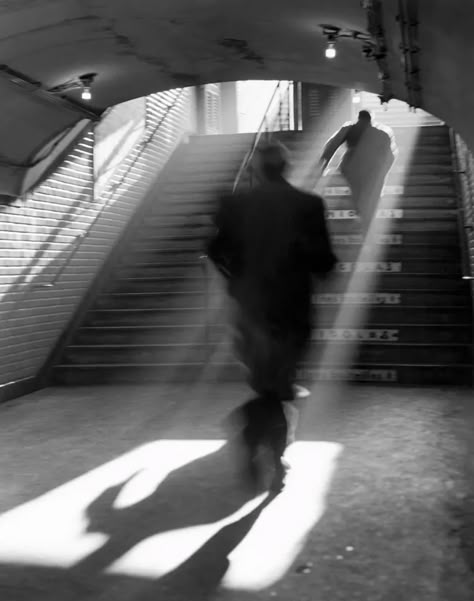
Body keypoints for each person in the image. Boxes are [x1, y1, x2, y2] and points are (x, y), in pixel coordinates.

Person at [207, 141, 337, 491]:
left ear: (255, 169)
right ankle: (267, 450)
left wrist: (236, 279)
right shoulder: (309, 205)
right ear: (286, 167)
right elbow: (325, 263)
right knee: (277, 387)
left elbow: (215, 250)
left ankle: (258, 441)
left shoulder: (234, 205)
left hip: (250, 310)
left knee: (268, 385)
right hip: (292, 310)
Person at [319, 109, 397, 232]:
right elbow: (390, 156)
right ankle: (366, 221)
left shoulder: (350, 129)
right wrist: (382, 172)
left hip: (352, 169)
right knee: (369, 196)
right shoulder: (382, 133)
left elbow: (331, 146)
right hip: (372, 170)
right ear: (371, 120)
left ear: (358, 118)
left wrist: (323, 165)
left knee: (357, 194)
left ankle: (361, 217)